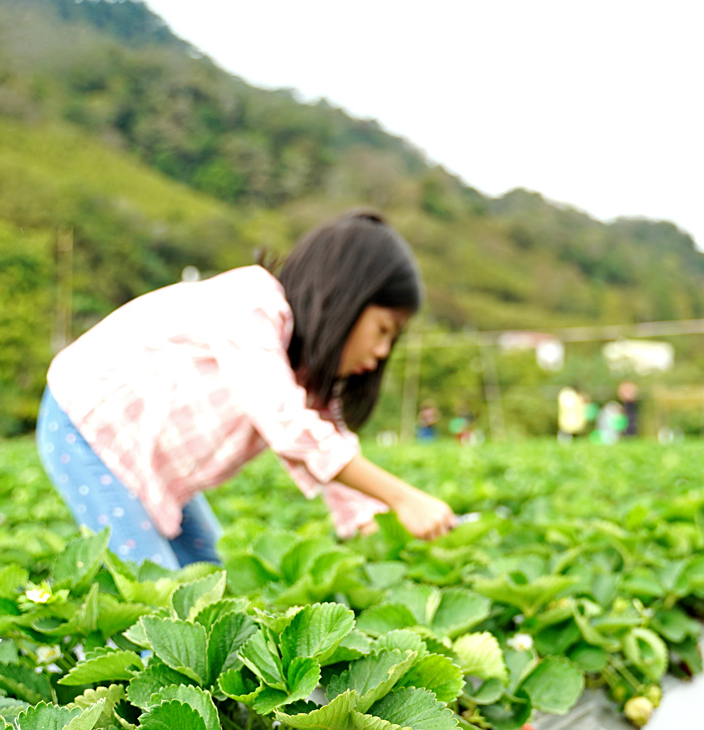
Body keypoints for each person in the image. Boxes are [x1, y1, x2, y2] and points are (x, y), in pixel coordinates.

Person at [37, 209, 458, 569]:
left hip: (150, 462)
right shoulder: (250, 302)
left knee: (207, 586)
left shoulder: (305, 377)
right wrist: (404, 498)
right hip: (86, 428)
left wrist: (377, 531)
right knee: (148, 599)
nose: (382, 351)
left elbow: (333, 459)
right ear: (344, 297)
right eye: (383, 330)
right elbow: (289, 427)